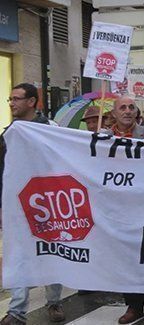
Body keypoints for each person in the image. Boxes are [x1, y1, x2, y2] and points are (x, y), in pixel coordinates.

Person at [0, 83, 65, 325]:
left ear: (32, 102)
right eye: (10, 99)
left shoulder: (51, 129)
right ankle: (17, 310)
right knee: (18, 253)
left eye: (16, 99)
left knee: (53, 251)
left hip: (48, 202)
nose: (12, 103)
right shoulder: (9, 132)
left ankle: (54, 301)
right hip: (18, 204)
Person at [100, 96, 144, 323]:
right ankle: (134, 306)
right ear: (114, 114)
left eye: (131, 107)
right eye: (123, 108)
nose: (127, 111)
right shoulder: (102, 140)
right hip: (119, 210)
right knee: (127, 259)